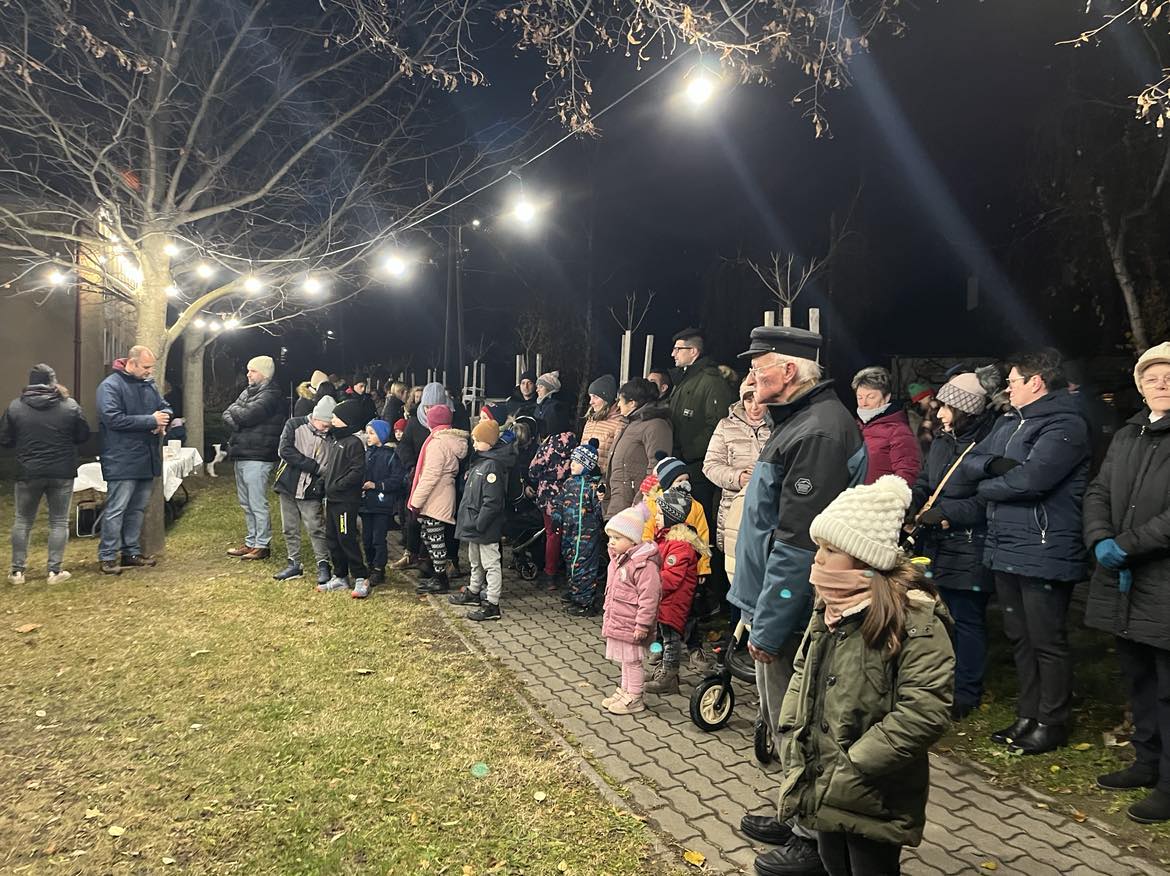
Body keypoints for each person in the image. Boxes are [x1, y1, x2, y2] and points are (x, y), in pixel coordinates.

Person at [729, 327, 866, 876]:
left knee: (801, 721)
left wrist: (769, 621)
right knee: (780, 716)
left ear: (788, 371)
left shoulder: (820, 432)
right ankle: (795, 813)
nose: (751, 377)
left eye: (758, 367)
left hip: (792, 606)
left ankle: (812, 840)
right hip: (773, 599)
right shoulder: (800, 421)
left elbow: (798, 542)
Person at [777, 475, 954, 876]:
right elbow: (804, 669)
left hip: (874, 786)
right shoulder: (830, 605)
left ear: (863, 557)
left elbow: (924, 710)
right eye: (819, 547)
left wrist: (857, 764)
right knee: (832, 862)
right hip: (824, 772)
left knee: (869, 866)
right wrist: (791, 729)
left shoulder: (914, 618)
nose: (818, 559)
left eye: (831, 550)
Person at [959, 348, 1090, 756]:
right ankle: (1027, 715)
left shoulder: (1065, 424)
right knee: (1019, 636)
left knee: (1046, 639)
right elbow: (970, 461)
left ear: (1036, 382)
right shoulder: (1009, 422)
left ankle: (1052, 721)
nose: (1008, 388)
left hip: (1045, 546)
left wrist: (987, 485)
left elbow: (1032, 481)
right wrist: (993, 469)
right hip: (1006, 543)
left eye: (1013, 381)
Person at [1084, 341, 1170, 824]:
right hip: (1124, 580)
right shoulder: (1128, 434)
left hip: (1162, 578)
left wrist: (1129, 545)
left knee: (1168, 686)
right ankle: (1146, 761)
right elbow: (1099, 490)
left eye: (1169, 376)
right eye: (1151, 377)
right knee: (1138, 677)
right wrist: (1100, 538)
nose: (1161, 384)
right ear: (1140, 386)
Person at [908, 372, 997, 720]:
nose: (940, 414)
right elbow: (927, 481)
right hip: (938, 544)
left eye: (947, 407)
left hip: (971, 545)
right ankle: (940, 682)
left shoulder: (988, 444)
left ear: (966, 410)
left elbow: (986, 500)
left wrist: (947, 513)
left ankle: (966, 691)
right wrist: (910, 502)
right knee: (941, 617)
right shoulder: (943, 440)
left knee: (966, 618)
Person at [1, 364, 91, 584]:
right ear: (53, 381)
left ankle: (17, 572)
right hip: (61, 471)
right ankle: (54, 571)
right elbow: (83, 435)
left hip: (28, 470)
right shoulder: (70, 406)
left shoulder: (15, 407)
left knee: (23, 520)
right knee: (58, 521)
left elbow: (5, 438)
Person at [95, 346, 172, 576]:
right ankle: (108, 555)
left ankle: (131, 551)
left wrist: (163, 420)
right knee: (117, 509)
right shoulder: (110, 386)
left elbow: (165, 407)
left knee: (137, 509)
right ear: (131, 363)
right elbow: (113, 419)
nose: (150, 371)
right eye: (146, 367)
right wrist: (150, 421)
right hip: (121, 458)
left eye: (151, 367)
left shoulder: (148, 385)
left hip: (145, 457)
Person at [667, 328, 736, 552]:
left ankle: (703, 568)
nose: (673, 354)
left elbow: (716, 425)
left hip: (698, 468)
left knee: (700, 523)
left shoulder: (710, 381)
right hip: (682, 464)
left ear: (693, 351)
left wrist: (687, 452)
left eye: (678, 349)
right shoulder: (685, 379)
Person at [450, 417, 518, 621]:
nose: (474, 443)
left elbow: (492, 501)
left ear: (489, 442)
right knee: (475, 561)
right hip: (474, 524)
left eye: (477, 440)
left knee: (490, 563)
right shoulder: (481, 461)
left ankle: (492, 603)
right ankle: (474, 590)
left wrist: (480, 523)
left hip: (484, 526)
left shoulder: (492, 466)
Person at [599, 506, 663, 716]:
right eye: (610, 537)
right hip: (620, 620)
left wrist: (642, 625)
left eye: (617, 538)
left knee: (633, 661)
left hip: (633, 624)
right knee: (625, 660)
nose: (611, 542)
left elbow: (649, 598)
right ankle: (625, 691)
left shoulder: (644, 566)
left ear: (633, 540)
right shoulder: (618, 561)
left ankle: (635, 697)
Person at [645, 487, 708, 695]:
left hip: (674, 601)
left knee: (671, 640)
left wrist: (650, 582)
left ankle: (669, 676)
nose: (656, 518)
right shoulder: (666, 538)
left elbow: (671, 578)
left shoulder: (680, 545)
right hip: (665, 600)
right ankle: (663, 669)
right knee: (664, 637)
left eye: (660, 514)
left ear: (672, 517)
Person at [223, 356, 285, 561]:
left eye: (253, 371)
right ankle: (251, 541)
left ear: (264, 373)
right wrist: (238, 417)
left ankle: (262, 544)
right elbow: (228, 414)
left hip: (259, 455)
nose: (248, 374)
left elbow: (245, 415)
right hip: (243, 452)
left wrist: (237, 415)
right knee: (246, 502)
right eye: (248, 370)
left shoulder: (271, 395)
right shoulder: (249, 392)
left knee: (257, 502)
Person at [703, 379, 772, 554]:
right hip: (733, 509)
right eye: (748, 400)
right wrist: (738, 477)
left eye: (759, 400)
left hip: (769, 509)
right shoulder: (726, 425)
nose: (754, 407)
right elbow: (710, 465)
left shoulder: (780, 426)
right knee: (733, 560)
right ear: (742, 400)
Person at [407, 402, 469, 595]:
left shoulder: (437, 444)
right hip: (441, 494)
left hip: (436, 496)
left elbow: (430, 476)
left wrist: (416, 501)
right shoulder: (447, 440)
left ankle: (441, 579)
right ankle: (437, 575)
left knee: (435, 538)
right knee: (429, 535)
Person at [273, 395, 334, 586]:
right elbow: (285, 451)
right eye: (324, 424)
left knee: (316, 527)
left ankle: (323, 564)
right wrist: (315, 467)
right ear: (315, 417)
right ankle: (294, 563)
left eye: (329, 425)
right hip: (289, 485)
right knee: (289, 527)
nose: (327, 428)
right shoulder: (293, 425)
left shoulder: (332, 435)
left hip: (312, 489)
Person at [389, 383, 446, 573]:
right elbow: (404, 446)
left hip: (439, 481)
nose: (429, 410)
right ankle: (411, 553)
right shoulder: (415, 422)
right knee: (413, 518)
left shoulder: (448, 423)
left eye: (433, 406)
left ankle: (429, 560)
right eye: (426, 406)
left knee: (433, 524)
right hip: (417, 476)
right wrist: (411, 466)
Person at [317, 399, 368, 593]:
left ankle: (361, 577)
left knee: (346, 537)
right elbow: (332, 468)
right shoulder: (337, 441)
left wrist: (339, 486)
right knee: (332, 538)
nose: (332, 420)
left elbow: (357, 471)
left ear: (348, 420)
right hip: (332, 500)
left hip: (345, 501)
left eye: (336, 417)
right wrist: (323, 483)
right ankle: (340, 575)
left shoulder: (353, 443)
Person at [604, 378, 672, 518]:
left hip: (634, 507)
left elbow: (657, 468)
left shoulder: (656, 426)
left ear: (632, 403)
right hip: (619, 502)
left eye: (620, 400)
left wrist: (640, 502)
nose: (618, 405)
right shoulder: (630, 423)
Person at [553, 438, 607, 615]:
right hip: (569, 531)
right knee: (570, 560)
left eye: (577, 462)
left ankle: (585, 602)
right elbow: (559, 502)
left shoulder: (593, 486)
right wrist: (556, 517)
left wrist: (600, 499)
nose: (572, 465)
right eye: (572, 461)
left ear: (587, 465)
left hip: (586, 534)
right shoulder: (569, 483)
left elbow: (599, 511)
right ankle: (575, 592)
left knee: (583, 565)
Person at [356, 419, 406, 596]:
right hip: (366, 504)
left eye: (371, 433)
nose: (368, 436)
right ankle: (370, 565)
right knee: (367, 538)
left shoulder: (391, 455)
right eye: (367, 433)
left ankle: (379, 568)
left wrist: (377, 485)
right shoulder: (366, 454)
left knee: (378, 538)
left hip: (381, 504)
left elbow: (397, 479)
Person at [527, 418, 578, 590]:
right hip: (570, 495)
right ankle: (570, 573)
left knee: (552, 534)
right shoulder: (576, 442)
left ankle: (550, 574)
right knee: (569, 534)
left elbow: (533, 470)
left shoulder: (549, 444)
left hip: (549, 496)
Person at [852, 366, 921, 486]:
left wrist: (888, 495)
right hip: (853, 495)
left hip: (878, 496)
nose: (864, 403)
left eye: (871, 397)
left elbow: (907, 471)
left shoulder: (898, 430)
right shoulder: (855, 426)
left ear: (886, 397)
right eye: (860, 397)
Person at [580, 374, 626, 476]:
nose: (591, 402)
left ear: (606, 398)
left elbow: (618, 456)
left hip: (603, 478)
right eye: (590, 397)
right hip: (584, 478)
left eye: (595, 397)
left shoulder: (619, 422)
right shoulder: (591, 420)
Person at [534, 371, 571, 437]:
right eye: (537, 387)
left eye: (541, 387)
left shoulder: (557, 407)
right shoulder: (539, 406)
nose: (537, 390)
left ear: (549, 388)